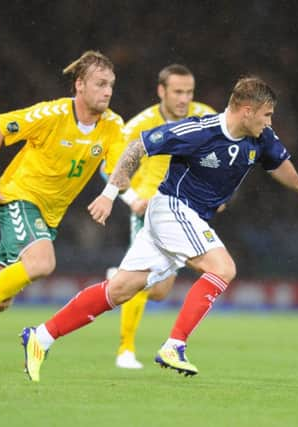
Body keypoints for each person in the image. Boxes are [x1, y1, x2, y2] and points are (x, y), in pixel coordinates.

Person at [20, 76, 298, 382]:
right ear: (246, 111)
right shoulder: (199, 131)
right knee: (223, 267)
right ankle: (175, 345)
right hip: (173, 208)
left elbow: (277, 163)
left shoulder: (261, 136)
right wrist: (112, 193)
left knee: (121, 289)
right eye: (267, 114)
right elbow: (139, 146)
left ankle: (41, 336)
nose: (270, 121)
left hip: (188, 217)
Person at [0, 51, 125, 347]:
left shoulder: (113, 126)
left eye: (111, 85)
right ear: (79, 84)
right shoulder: (52, 115)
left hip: (48, 217)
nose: (108, 91)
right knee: (42, 262)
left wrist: (108, 195)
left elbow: (121, 167)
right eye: (100, 84)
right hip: (19, 198)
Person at [105, 64, 216, 370]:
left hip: (188, 209)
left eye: (189, 92)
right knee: (143, 280)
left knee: (161, 290)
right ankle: (125, 350)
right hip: (150, 209)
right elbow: (110, 165)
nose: (184, 99)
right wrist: (130, 198)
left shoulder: (205, 117)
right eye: (177, 92)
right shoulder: (140, 124)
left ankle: (118, 277)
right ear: (161, 92)